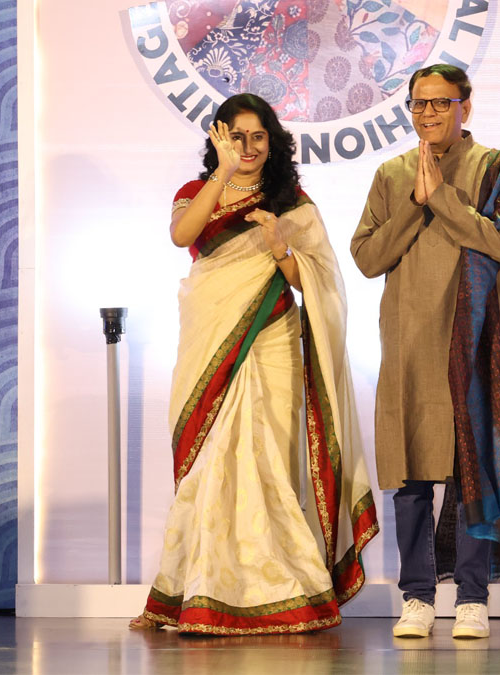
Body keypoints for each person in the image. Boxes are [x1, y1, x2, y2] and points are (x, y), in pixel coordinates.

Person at [129, 93, 378, 635]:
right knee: (211, 462)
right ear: (219, 138)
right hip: (210, 342)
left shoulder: (291, 202)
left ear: (273, 141)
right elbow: (182, 236)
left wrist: (280, 248)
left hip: (273, 339)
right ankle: (193, 592)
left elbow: (316, 283)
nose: (247, 146)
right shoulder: (195, 193)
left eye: (257, 136)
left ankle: (286, 590)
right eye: (235, 136)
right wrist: (220, 174)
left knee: (266, 461)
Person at [350, 64, 500, 640]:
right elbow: (367, 258)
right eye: (418, 104)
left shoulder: (498, 169)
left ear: (466, 105)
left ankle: (472, 597)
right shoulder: (392, 174)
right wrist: (416, 204)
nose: (428, 115)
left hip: (472, 342)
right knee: (411, 474)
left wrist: (442, 200)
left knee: (471, 468)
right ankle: (416, 597)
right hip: (410, 342)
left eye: (440, 103)